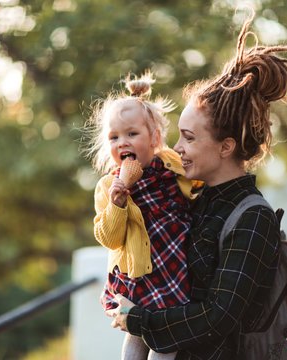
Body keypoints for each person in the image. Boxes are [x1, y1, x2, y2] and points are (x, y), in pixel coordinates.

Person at [106, 10, 287, 360]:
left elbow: (218, 317)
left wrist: (139, 319)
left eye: (188, 137)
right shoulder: (192, 200)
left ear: (225, 146)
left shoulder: (252, 218)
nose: (176, 148)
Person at [85, 73, 200, 360]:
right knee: (134, 346)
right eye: (114, 137)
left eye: (132, 134)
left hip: (173, 273)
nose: (122, 142)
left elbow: (196, 185)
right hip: (138, 281)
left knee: (163, 346)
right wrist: (118, 204)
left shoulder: (169, 168)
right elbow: (109, 239)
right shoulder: (107, 188)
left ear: (155, 139)